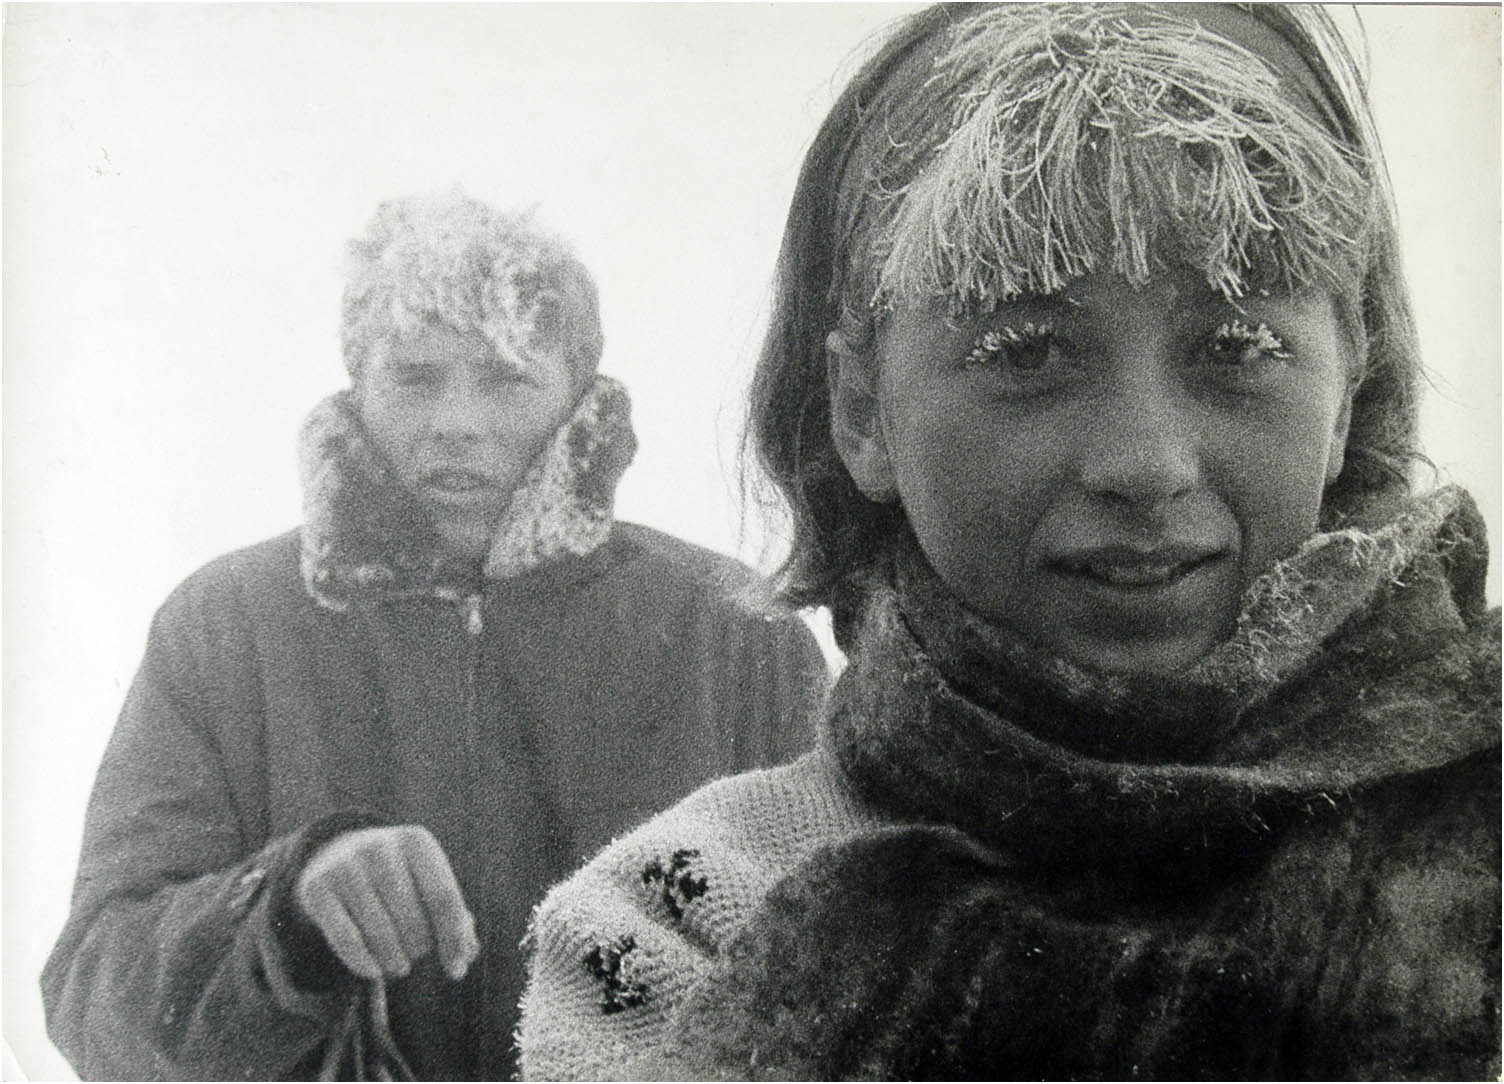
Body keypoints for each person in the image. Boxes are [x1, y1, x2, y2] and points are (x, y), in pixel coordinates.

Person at [517, 5, 1501, 1079]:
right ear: (861, 412)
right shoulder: (684, 916)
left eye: (1237, 343)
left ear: (1346, 393)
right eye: (1026, 349)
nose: (1146, 462)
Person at [41, 190, 828, 1080]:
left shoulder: (735, 633)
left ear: (579, 393)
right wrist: (285, 916)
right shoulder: (223, 628)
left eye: (504, 377)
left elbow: (871, 967)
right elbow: (94, 995)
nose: (458, 419)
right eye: (416, 377)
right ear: (359, 386)